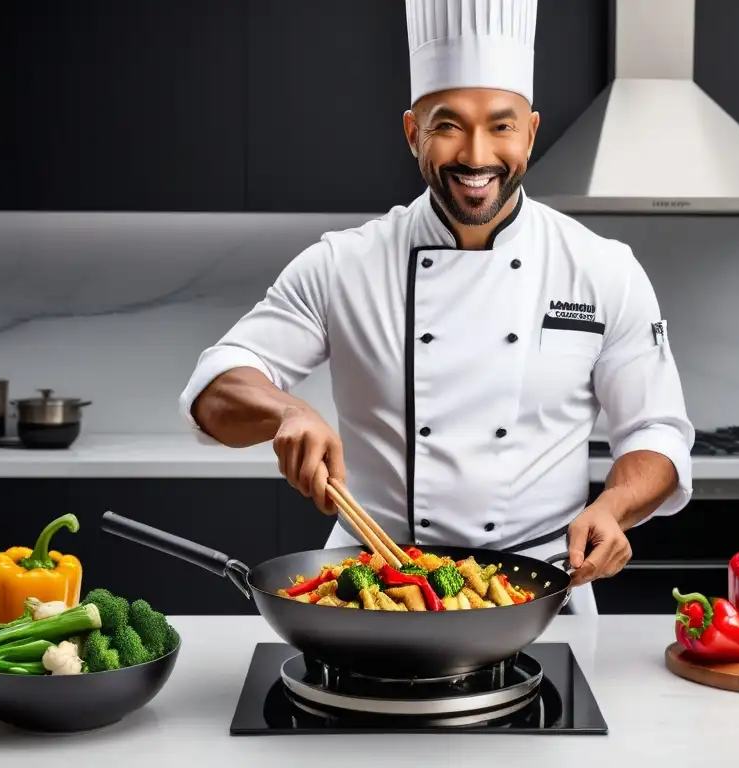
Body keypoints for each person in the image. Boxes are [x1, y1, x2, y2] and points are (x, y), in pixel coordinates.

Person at [178, 0, 694, 615]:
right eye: (448, 125)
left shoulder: (602, 268)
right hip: (371, 592)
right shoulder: (345, 263)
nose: (476, 155)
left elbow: (656, 429)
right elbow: (216, 385)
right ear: (411, 131)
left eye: (501, 126)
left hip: (536, 592)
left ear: (530, 131)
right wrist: (285, 411)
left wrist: (613, 507)